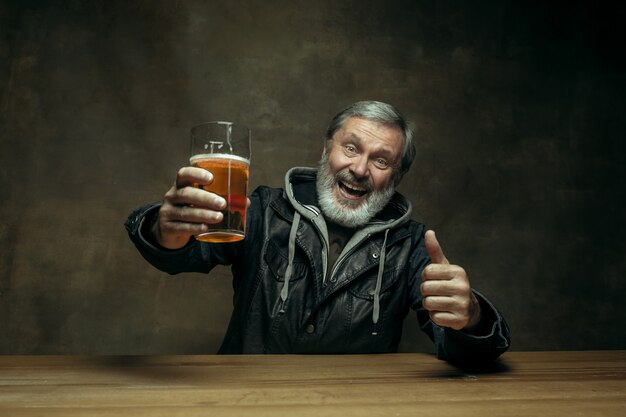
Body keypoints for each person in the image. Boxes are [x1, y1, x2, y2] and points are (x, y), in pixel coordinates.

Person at [125, 101, 510, 364]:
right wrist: (164, 229)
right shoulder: (263, 210)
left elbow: (456, 344)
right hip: (245, 401)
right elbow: (185, 253)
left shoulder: (411, 245)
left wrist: (471, 317)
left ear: (397, 176)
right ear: (325, 150)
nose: (359, 169)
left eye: (380, 160)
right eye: (350, 148)